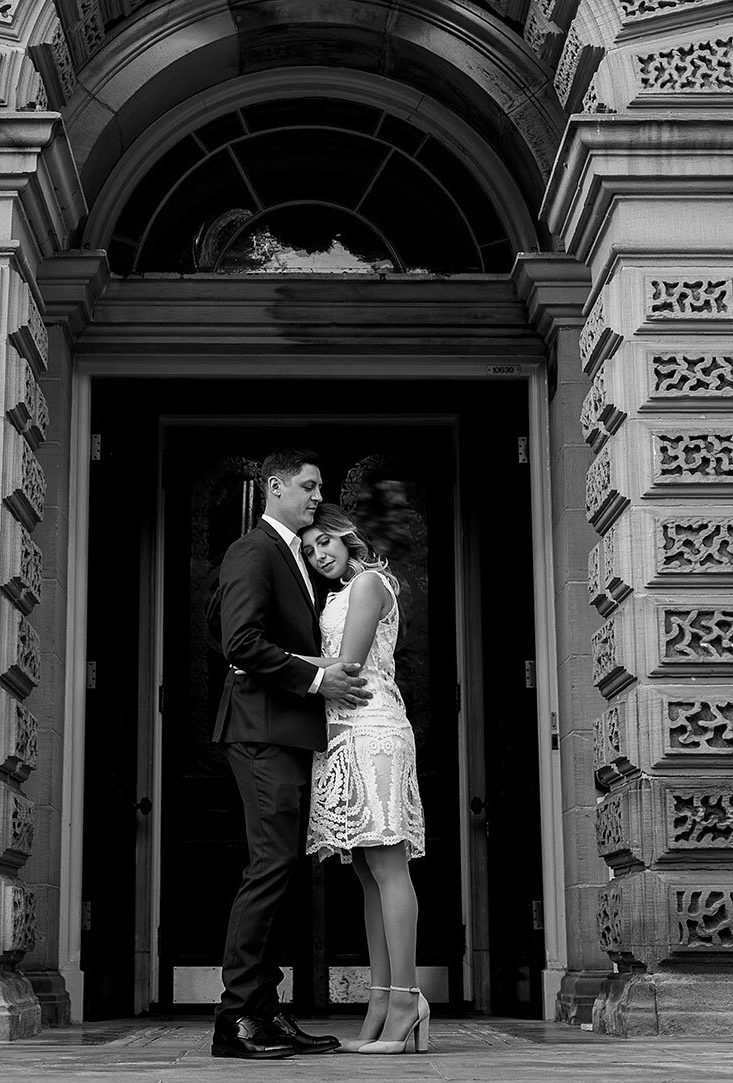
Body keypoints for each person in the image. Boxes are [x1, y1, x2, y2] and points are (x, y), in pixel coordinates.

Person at [208, 450, 372, 1061]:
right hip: (261, 731)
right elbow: (238, 639)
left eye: (318, 487)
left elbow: (222, 629)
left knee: (278, 871)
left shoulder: (289, 555)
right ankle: (234, 1020)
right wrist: (312, 678)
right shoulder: (253, 548)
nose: (314, 496)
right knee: (269, 868)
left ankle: (265, 1013)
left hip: (285, 732)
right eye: (308, 486)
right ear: (274, 487)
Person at [301, 501, 431, 1055]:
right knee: (366, 872)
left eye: (324, 541)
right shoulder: (338, 594)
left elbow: (348, 667)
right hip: (340, 734)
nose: (318, 553)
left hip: (372, 729)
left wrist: (270, 663)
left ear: (346, 535)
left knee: (388, 865)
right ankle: (380, 999)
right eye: (308, 550)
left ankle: (406, 998)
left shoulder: (370, 584)